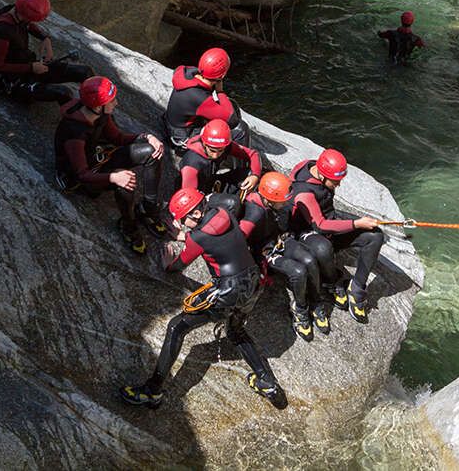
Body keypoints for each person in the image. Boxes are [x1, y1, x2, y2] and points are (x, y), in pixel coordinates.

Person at [120, 188, 285, 409]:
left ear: (195, 214)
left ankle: (152, 391)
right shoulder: (223, 212)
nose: (180, 223)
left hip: (228, 290)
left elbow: (179, 264)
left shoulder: (199, 236)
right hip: (253, 281)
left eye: (182, 219)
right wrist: (185, 234)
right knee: (235, 330)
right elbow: (213, 233)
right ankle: (268, 383)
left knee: (176, 327)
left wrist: (168, 262)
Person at [54, 76, 167, 254]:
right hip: (85, 179)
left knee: (152, 153)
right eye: (111, 100)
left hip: (98, 161)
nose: (116, 103)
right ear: (98, 105)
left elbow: (118, 138)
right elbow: (81, 174)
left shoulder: (100, 115)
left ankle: (148, 208)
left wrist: (147, 137)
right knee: (127, 181)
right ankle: (129, 227)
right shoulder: (74, 131)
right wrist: (115, 177)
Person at [288, 149, 384, 324]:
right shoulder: (304, 193)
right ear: (322, 176)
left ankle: (357, 290)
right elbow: (321, 225)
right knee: (324, 249)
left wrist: (357, 226)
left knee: (375, 236)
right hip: (308, 232)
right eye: (336, 181)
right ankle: (331, 283)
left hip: (329, 223)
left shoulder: (314, 166)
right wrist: (356, 224)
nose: (338, 185)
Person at [239, 172, 327, 342]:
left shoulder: (276, 206)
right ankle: (300, 309)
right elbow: (239, 238)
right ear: (270, 200)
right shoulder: (254, 213)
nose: (287, 202)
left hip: (281, 240)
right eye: (283, 200)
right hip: (265, 253)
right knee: (298, 271)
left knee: (310, 259)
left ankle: (315, 301)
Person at [0, 0, 93, 104]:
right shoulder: (3, 30)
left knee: (85, 72)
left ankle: (96, 106)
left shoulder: (16, 12)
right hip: (16, 80)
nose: (31, 21)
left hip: (31, 67)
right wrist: (31, 67)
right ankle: (77, 117)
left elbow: (28, 25)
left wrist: (45, 38)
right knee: (64, 93)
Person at [160, 47, 250, 151]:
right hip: (182, 139)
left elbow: (179, 69)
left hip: (172, 124)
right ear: (223, 75)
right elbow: (232, 121)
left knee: (227, 106)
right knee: (240, 129)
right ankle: (242, 166)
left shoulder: (184, 72)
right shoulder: (200, 97)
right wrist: (220, 92)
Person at [178, 119, 261, 195]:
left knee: (249, 174)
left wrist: (255, 175)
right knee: (232, 203)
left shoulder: (225, 146)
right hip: (199, 194)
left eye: (220, 150)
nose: (215, 155)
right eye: (212, 150)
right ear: (204, 144)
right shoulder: (192, 164)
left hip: (213, 182)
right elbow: (188, 195)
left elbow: (253, 154)